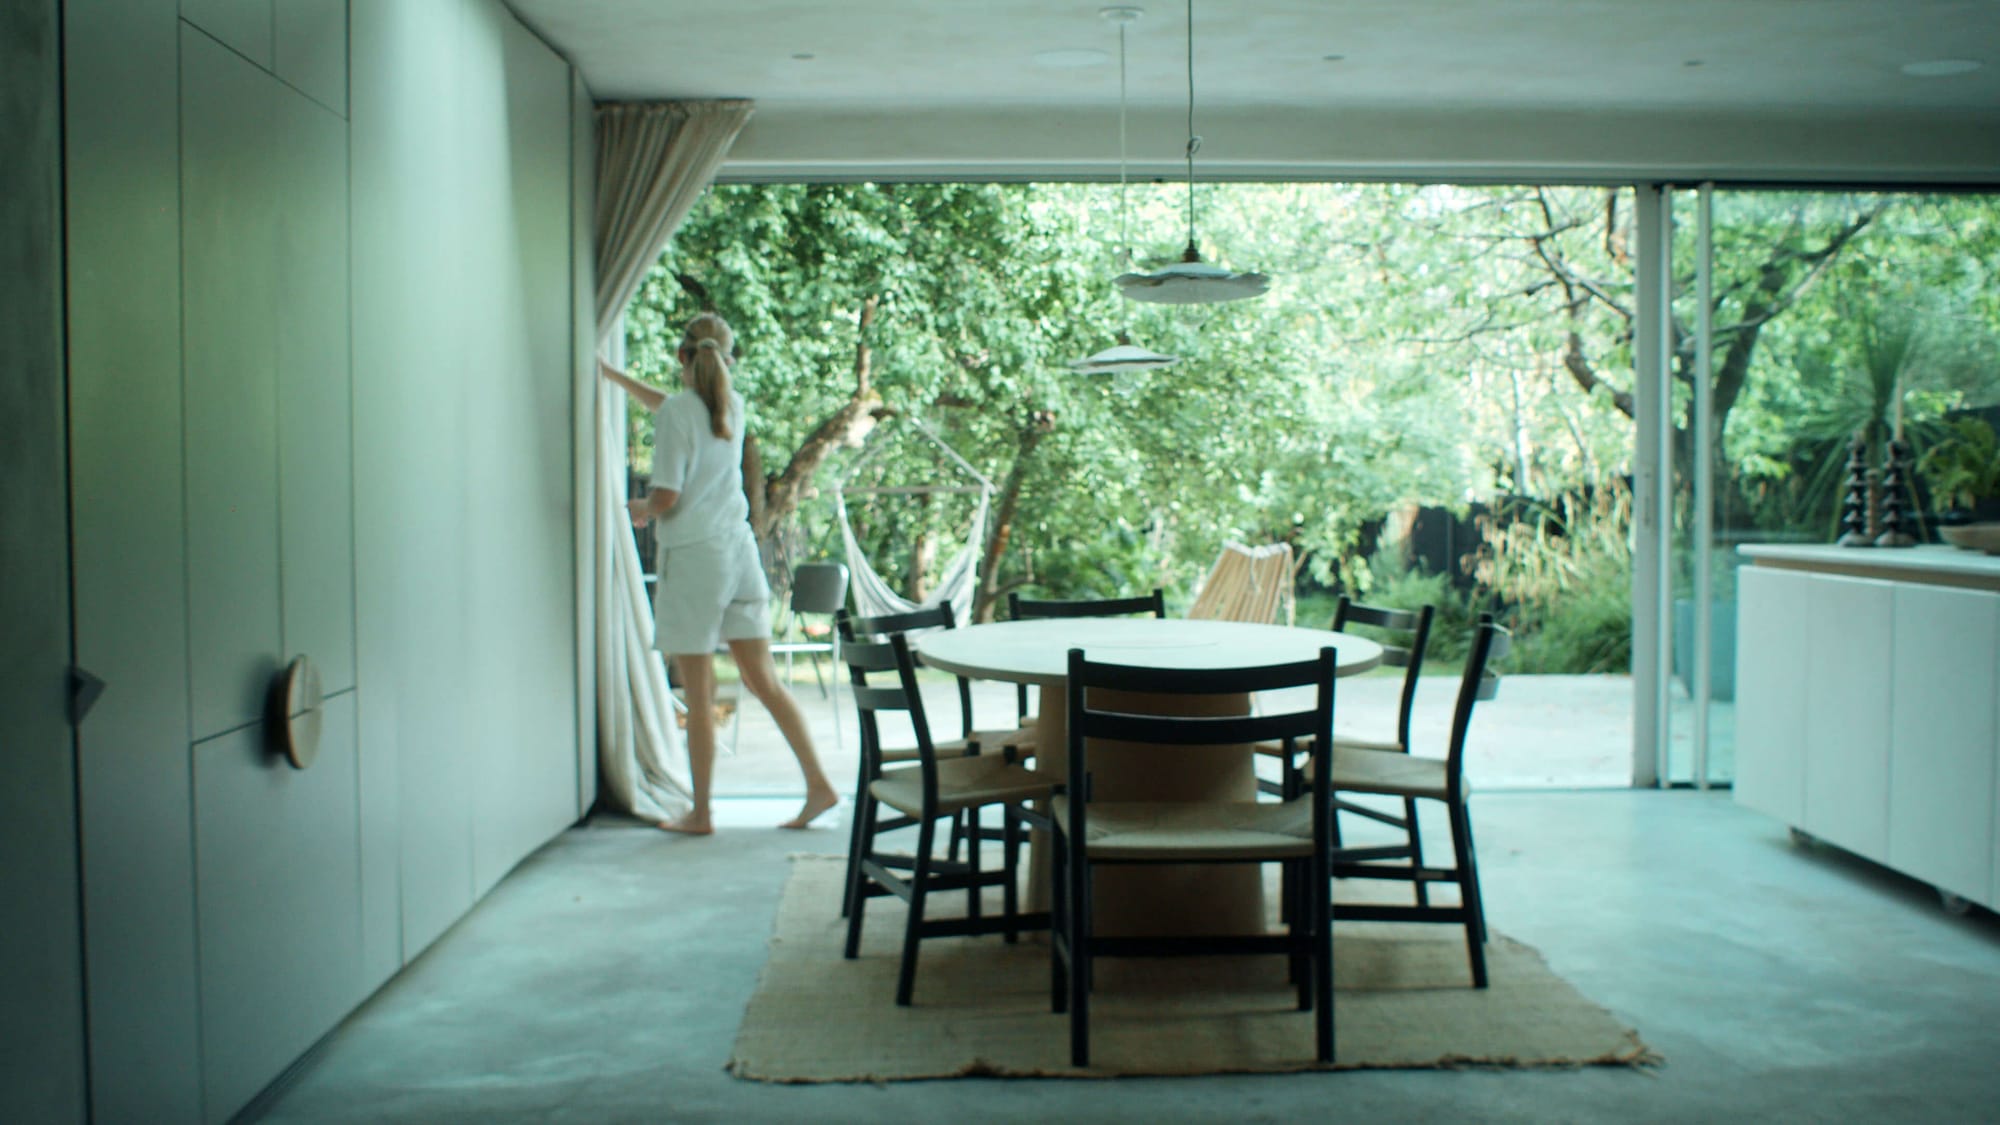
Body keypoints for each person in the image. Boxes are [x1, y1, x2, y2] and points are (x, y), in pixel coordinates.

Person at [604, 312, 839, 834]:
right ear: (725, 360)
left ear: (682, 357)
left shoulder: (680, 413)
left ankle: (702, 811)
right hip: (739, 556)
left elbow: (666, 496)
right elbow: (676, 410)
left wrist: (637, 507)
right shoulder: (730, 405)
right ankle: (819, 786)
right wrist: (615, 377)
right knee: (766, 683)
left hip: (695, 560)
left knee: (699, 690)